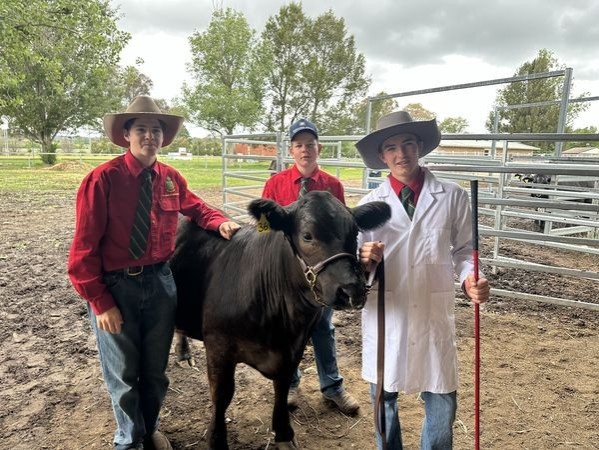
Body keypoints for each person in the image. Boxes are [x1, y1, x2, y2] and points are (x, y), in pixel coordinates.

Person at [67, 95, 240, 450]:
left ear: (164, 137)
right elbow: (83, 251)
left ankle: (150, 428)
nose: (150, 136)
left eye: (156, 129)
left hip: (161, 283)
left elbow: (197, 207)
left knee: (156, 372)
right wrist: (101, 302)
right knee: (124, 374)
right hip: (117, 287)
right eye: (142, 129)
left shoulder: (171, 178)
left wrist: (221, 222)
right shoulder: (102, 180)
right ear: (126, 134)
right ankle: (129, 440)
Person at [355, 111, 490, 449]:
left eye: (408, 144)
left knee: (442, 404)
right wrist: (364, 261)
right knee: (383, 402)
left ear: (420, 147)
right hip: (388, 315)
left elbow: (463, 250)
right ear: (383, 156)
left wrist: (471, 277)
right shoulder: (368, 206)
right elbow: (354, 269)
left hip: (433, 313)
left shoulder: (453, 196)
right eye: (392, 147)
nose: (402, 154)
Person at [261, 118, 360, 415]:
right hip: (285, 275)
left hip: (322, 275)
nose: (305, 150)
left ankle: (332, 386)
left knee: (322, 327)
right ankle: (290, 382)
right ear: (291, 150)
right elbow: (263, 231)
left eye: (310, 144)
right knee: (286, 330)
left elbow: (343, 232)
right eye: (299, 145)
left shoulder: (333, 185)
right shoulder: (275, 184)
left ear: (319, 148)